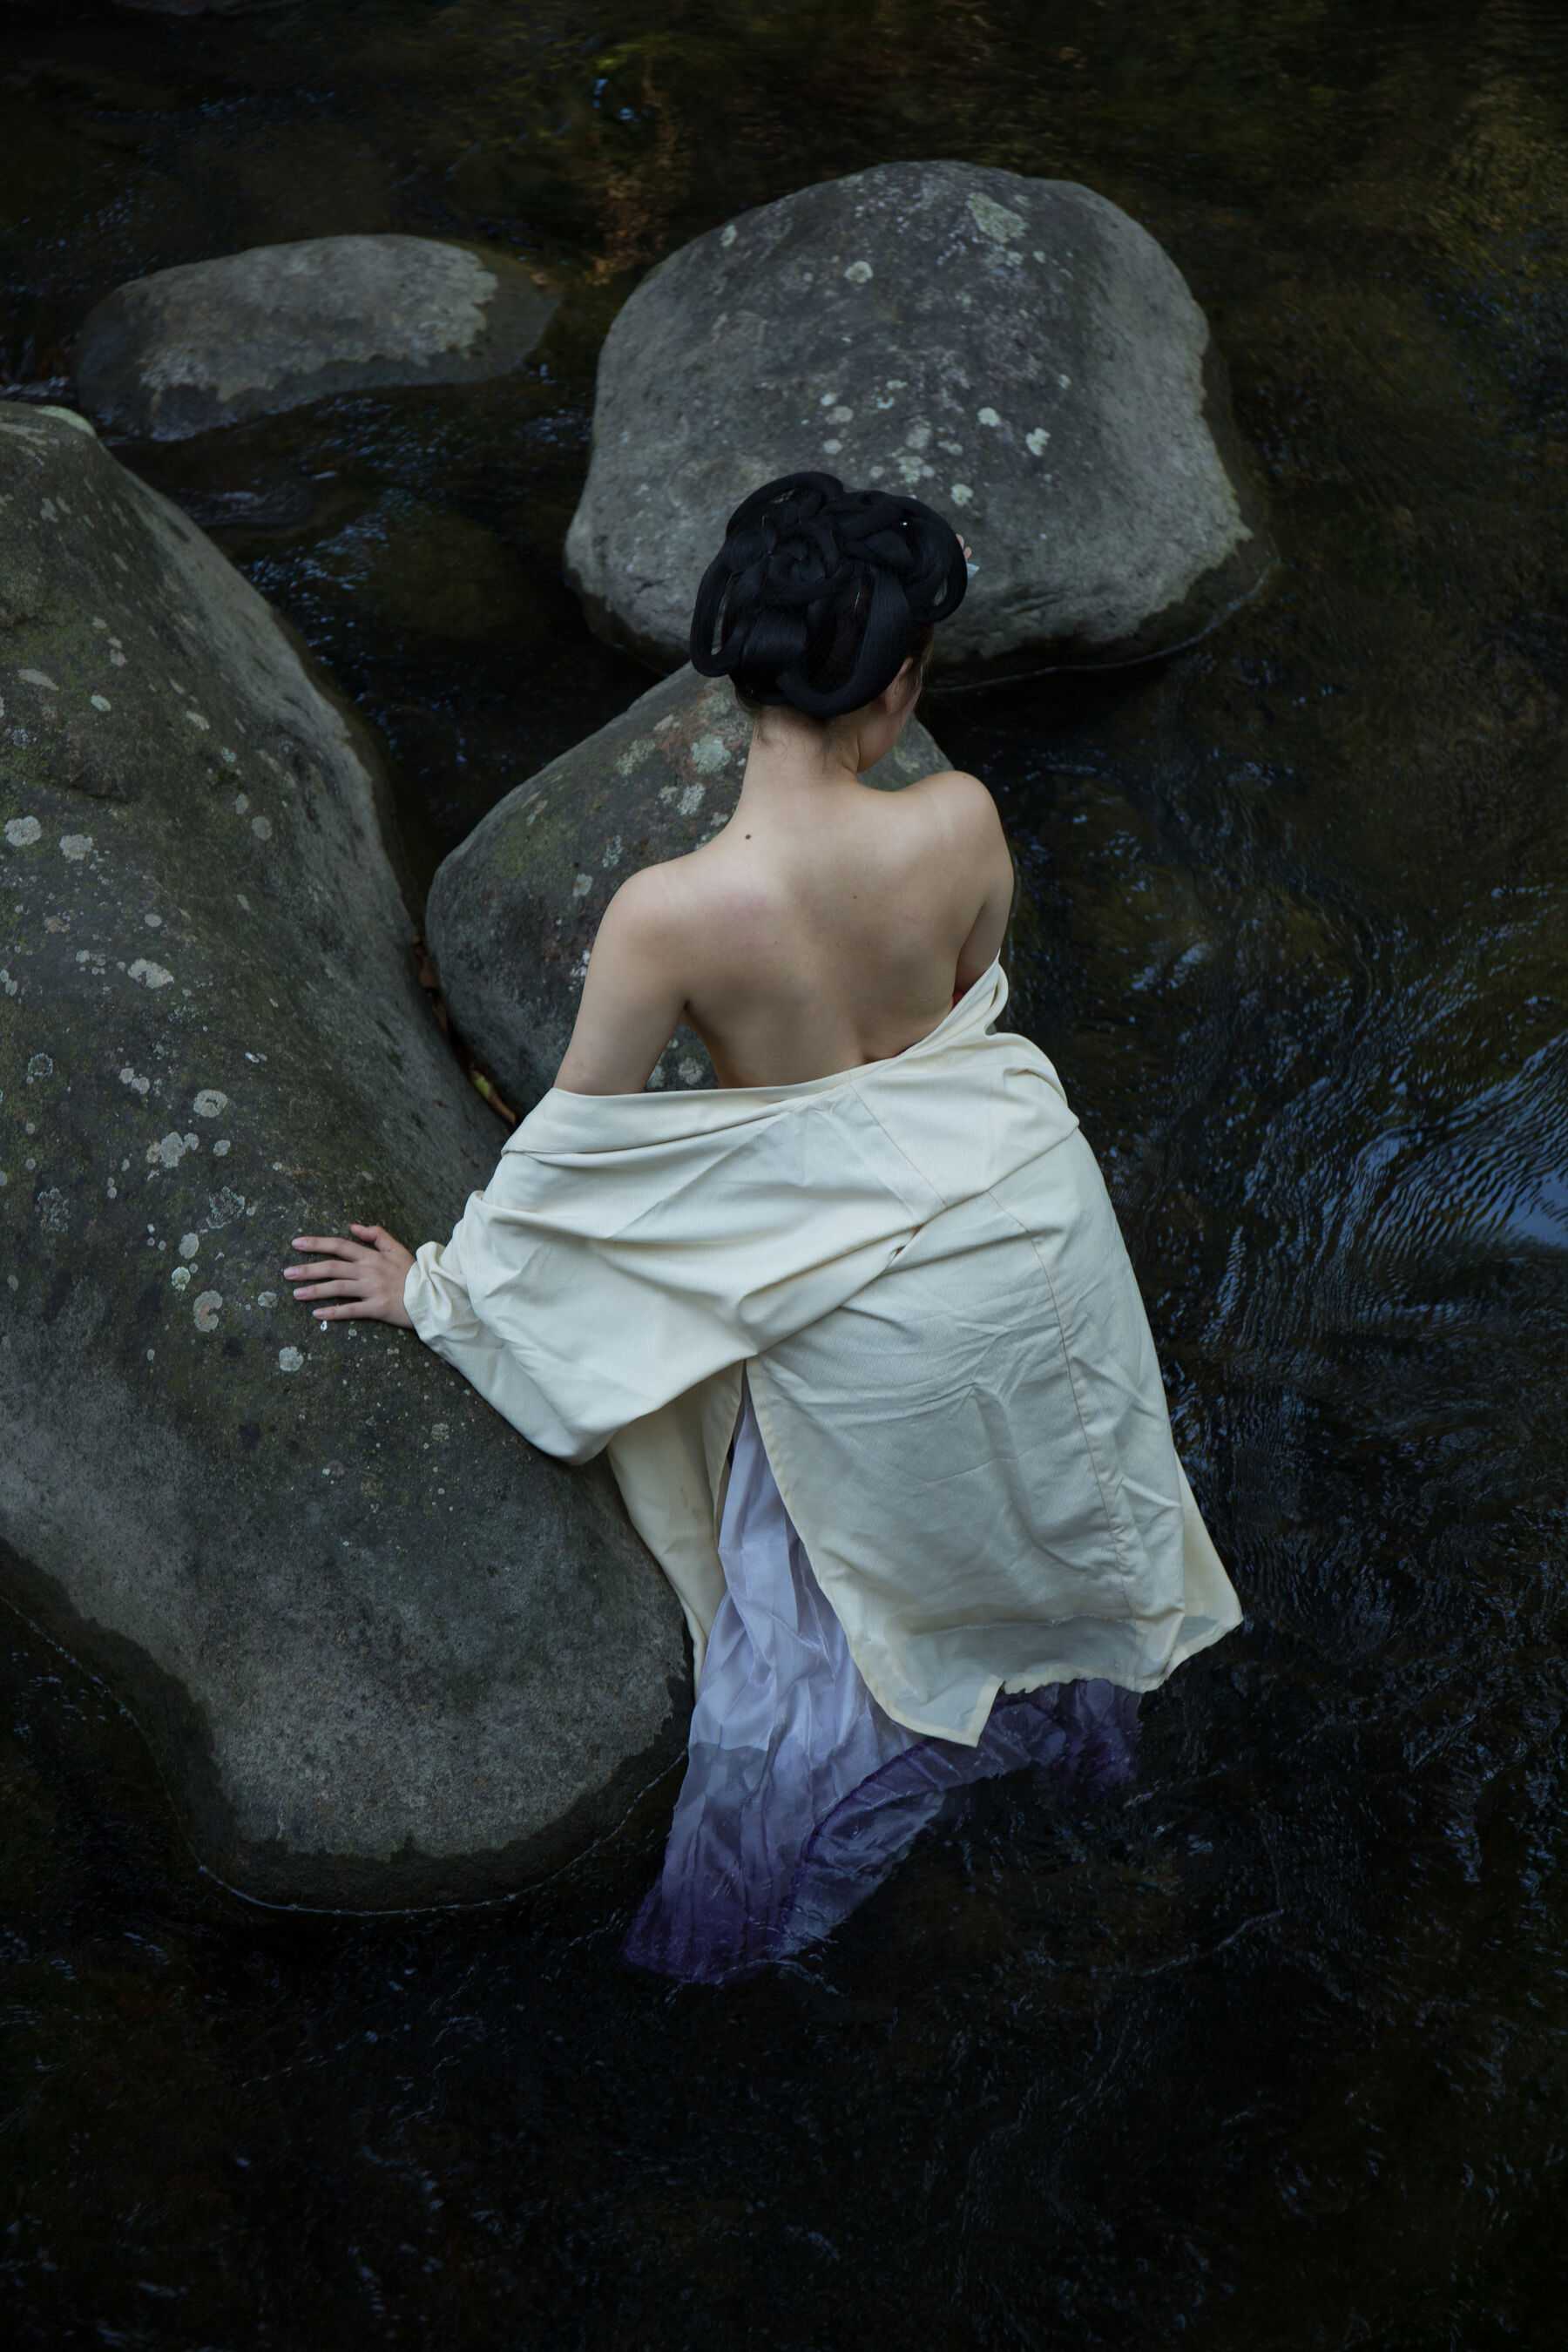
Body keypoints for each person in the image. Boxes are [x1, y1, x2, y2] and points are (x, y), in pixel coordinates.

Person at [280, 471, 1244, 1985]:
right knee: (1051, 1474)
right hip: (1032, 1241)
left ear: (738, 679)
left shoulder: (668, 914)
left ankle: (788, 1888)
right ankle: (1075, 1732)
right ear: (900, 685)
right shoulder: (960, 821)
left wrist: (438, 1296)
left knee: (812, 1617)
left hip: (858, 1319)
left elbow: (565, 1163)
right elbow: (962, 1023)